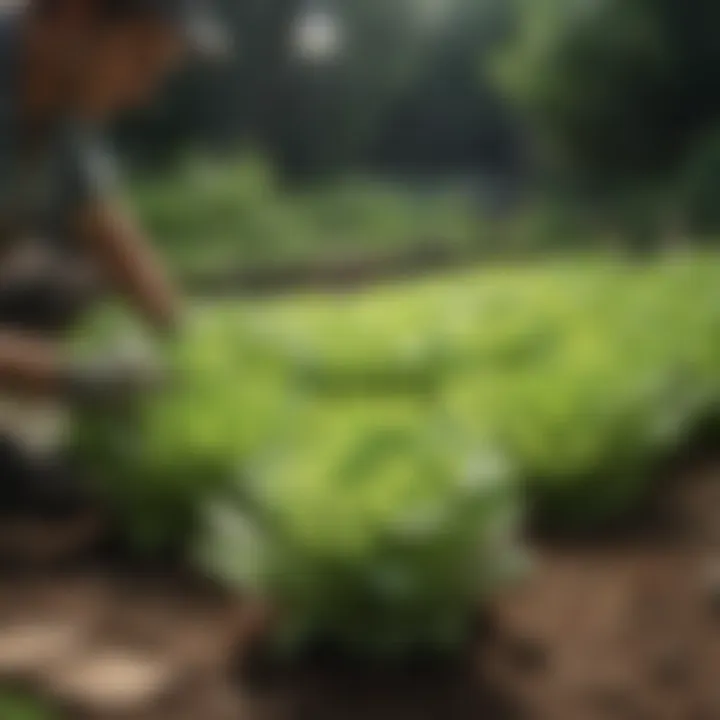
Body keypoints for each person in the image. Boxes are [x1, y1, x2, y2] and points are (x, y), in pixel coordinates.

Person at [0, 0, 229, 532]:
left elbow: (120, 246)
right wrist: (76, 377)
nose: (146, 93)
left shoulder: (59, 121)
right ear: (74, 15)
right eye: (142, 60)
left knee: (60, 288)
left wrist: (197, 354)